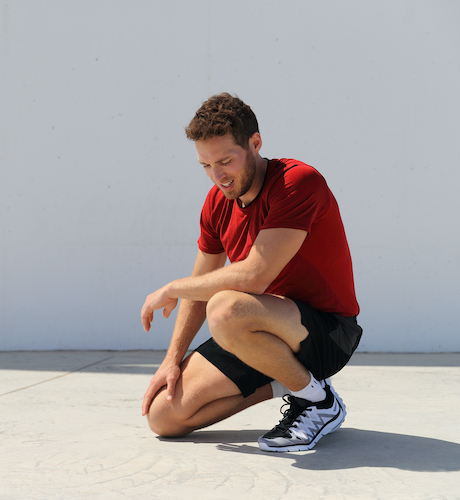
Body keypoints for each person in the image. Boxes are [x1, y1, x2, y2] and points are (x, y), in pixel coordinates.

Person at [140, 93, 362, 452]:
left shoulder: (297, 182)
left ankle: (318, 404)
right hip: (255, 332)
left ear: (255, 144)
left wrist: (172, 288)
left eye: (226, 161)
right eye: (206, 166)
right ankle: (297, 384)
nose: (218, 176)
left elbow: (254, 277)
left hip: (327, 332)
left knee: (226, 307)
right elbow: (199, 289)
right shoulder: (217, 203)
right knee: (164, 416)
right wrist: (170, 361)